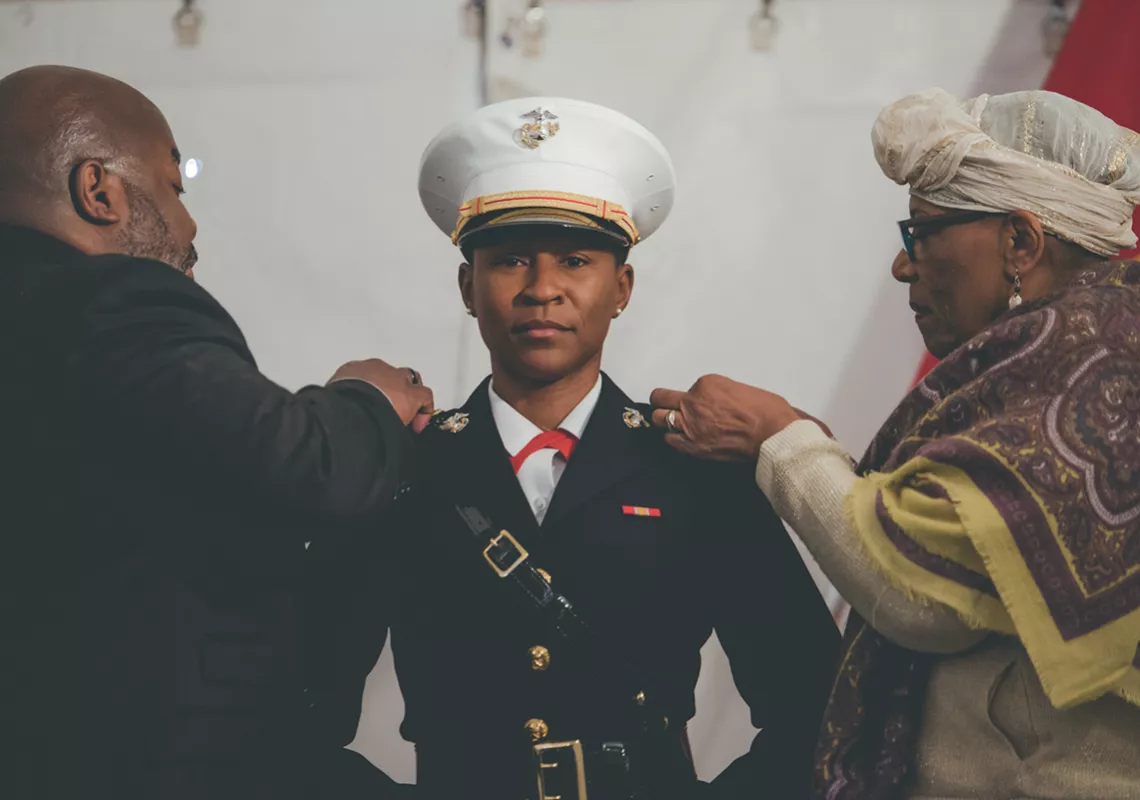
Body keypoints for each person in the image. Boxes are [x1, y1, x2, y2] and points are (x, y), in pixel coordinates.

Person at [307, 98, 840, 799]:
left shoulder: (695, 468)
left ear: (621, 288)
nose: (543, 290)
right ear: (469, 286)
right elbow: (296, 709)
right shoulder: (406, 470)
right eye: (511, 261)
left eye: (575, 261)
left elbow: (819, 706)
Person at [650, 88, 1140, 800]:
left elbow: (920, 591)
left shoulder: (1085, 355)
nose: (903, 267)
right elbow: (975, 537)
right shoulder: (1099, 337)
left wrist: (778, 440)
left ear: (1021, 242)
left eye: (923, 234)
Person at [0, 65, 435, 800]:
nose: (189, 224)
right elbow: (308, 464)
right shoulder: (109, 301)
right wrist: (368, 396)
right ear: (97, 190)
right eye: (175, 186)